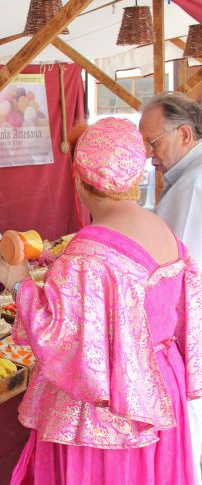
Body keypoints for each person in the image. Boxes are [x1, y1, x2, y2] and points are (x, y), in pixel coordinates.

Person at [10, 117, 202, 485]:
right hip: (161, 382)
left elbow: (58, 337)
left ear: (80, 179)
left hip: (109, 398)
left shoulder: (88, 250)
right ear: (134, 176)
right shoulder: (162, 230)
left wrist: (19, 284)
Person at [140, 91, 202, 485]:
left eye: (153, 142)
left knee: (192, 439)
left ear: (183, 134)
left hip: (189, 341)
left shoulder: (193, 187)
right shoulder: (185, 181)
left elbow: (176, 279)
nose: (149, 155)